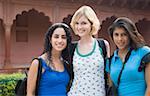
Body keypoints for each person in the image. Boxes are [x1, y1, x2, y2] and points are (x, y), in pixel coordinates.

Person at [68, 5, 110, 96]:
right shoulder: (72, 48)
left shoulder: (102, 45)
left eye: (83, 23)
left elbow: (109, 75)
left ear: (92, 24)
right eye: (77, 23)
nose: (79, 27)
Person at [107, 17, 150, 96]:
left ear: (130, 35)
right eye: (116, 35)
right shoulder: (111, 60)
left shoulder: (144, 52)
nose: (120, 39)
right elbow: (111, 87)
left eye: (124, 35)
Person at [27, 23, 72, 96]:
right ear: (50, 39)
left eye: (63, 37)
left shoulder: (66, 64)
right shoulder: (38, 63)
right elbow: (30, 93)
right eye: (56, 37)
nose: (60, 40)